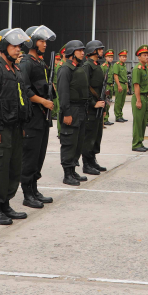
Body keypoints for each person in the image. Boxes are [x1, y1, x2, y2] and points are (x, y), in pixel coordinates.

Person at [0, 28, 32, 225]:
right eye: (14, 46)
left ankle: (6, 204)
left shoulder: (16, 70)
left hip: (16, 128)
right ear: (3, 47)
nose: (18, 49)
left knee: (13, 168)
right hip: (1, 129)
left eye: (19, 46)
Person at [18, 25, 57, 209]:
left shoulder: (40, 62)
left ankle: (34, 189)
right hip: (32, 116)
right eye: (41, 41)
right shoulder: (26, 62)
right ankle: (27, 193)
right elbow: (24, 89)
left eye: (45, 41)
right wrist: (43, 101)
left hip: (42, 117)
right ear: (33, 42)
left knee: (39, 155)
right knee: (30, 156)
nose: (44, 44)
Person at [57, 40, 91, 186]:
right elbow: (63, 93)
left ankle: (73, 170)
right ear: (71, 53)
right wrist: (67, 113)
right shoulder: (65, 69)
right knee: (69, 142)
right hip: (71, 109)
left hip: (81, 109)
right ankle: (67, 173)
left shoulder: (78, 68)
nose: (83, 52)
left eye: (83, 50)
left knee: (78, 142)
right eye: (79, 50)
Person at [81, 40, 109, 173]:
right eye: (99, 49)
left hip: (99, 106)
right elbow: (84, 87)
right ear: (93, 51)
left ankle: (93, 161)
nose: (102, 51)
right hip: (90, 108)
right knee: (89, 137)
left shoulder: (97, 65)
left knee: (97, 135)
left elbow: (100, 89)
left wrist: (104, 107)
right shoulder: (87, 66)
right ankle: (86, 164)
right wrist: (93, 103)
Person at [131, 45, 148, 153]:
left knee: (143, 122)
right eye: (144, 55)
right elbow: (136, 85)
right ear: (139, 57)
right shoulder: (137, 69)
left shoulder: (145, 69)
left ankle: (140, 142)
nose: (147, 57)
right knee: (138, 123)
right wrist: (138, 100)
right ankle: (136, 144)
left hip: (146, 97)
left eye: (147, 55)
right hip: (139, 98)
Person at [111, 50, 128, 123]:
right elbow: (115, 75)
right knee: (118, 101)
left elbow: (125, 77)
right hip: (119, 84)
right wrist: (119, 85)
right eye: (123, 57)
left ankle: (120, 115)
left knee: (122, 101)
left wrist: (127, 86)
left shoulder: (124, 65)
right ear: (119, 57)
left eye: (125, 57)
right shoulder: (116, 65)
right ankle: (117, 116)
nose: (124, 58)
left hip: (124, 84)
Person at [102, 49, 115, 126]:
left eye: (112, 57)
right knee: (106, 103)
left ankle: (107, 117)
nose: (110, 58)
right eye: (109, 57)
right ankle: (105, 118)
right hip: (106, 86)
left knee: (109, 102)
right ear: (105, 57)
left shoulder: (111, 66)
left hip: (111, 86)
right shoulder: (103, 67)